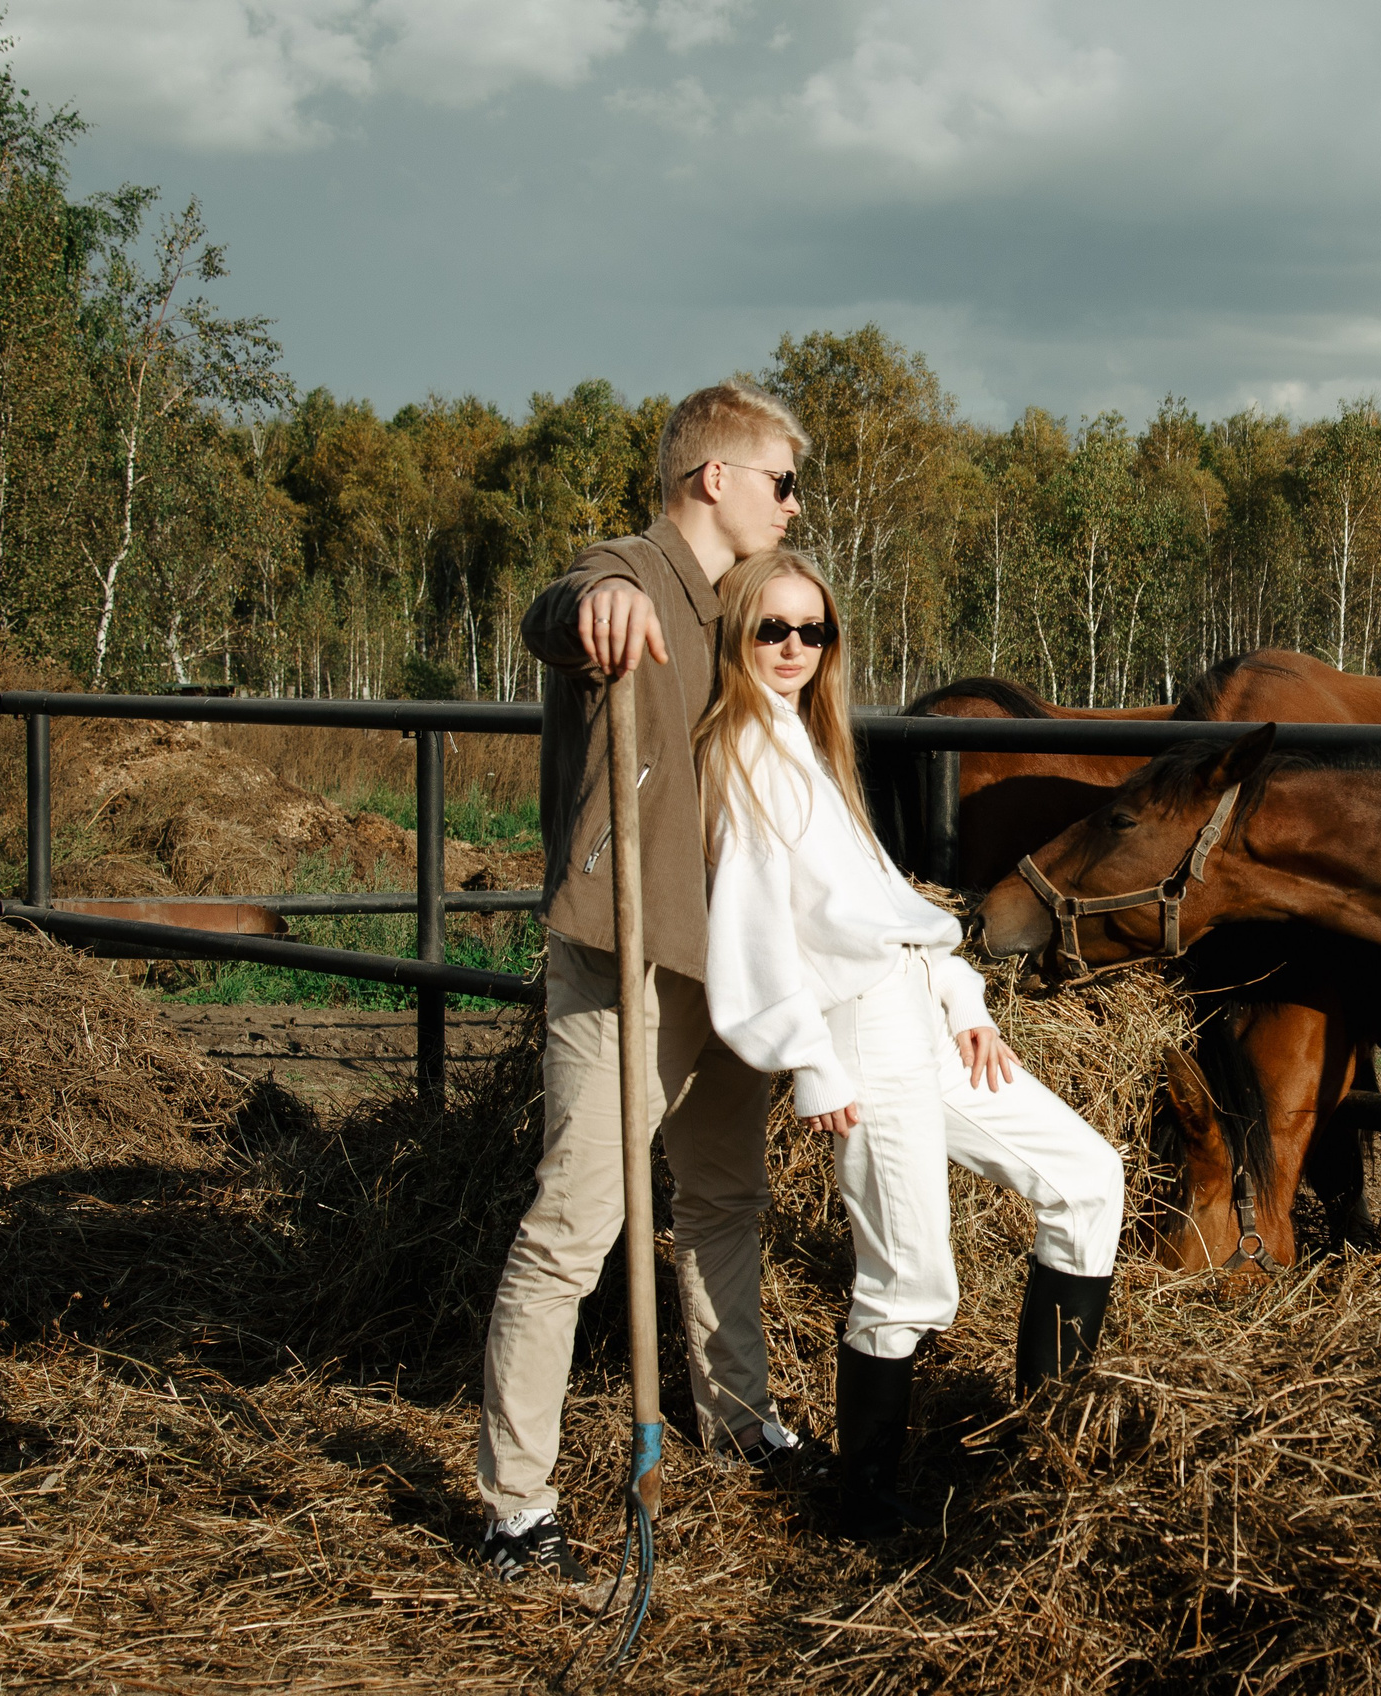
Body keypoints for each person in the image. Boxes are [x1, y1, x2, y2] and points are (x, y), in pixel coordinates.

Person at [696, 547, 1124, 1539]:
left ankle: (1040, 1441)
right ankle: (870, 1505)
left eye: (814, 630)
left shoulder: (811, 742)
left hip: (919, 1011)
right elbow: (752, 932)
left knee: (1087, 1175)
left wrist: (960, 994)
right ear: (736, 636)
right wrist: (807, 1057)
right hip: (854, 1029)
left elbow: (887, 911)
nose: (795, 648)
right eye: (772, 629)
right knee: (910, 1280)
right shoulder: (742, 756)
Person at [478, 380, 818, 1584]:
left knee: (724, 1201)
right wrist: (599, 604)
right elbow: (558, 603)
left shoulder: (742, 604)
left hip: (732, 957)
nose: (793, 500)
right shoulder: (630, 570)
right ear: (712, 478)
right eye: (782, 478)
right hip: (630, 954)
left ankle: (736, 1418)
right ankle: (517, 1503)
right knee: (575, 1226)